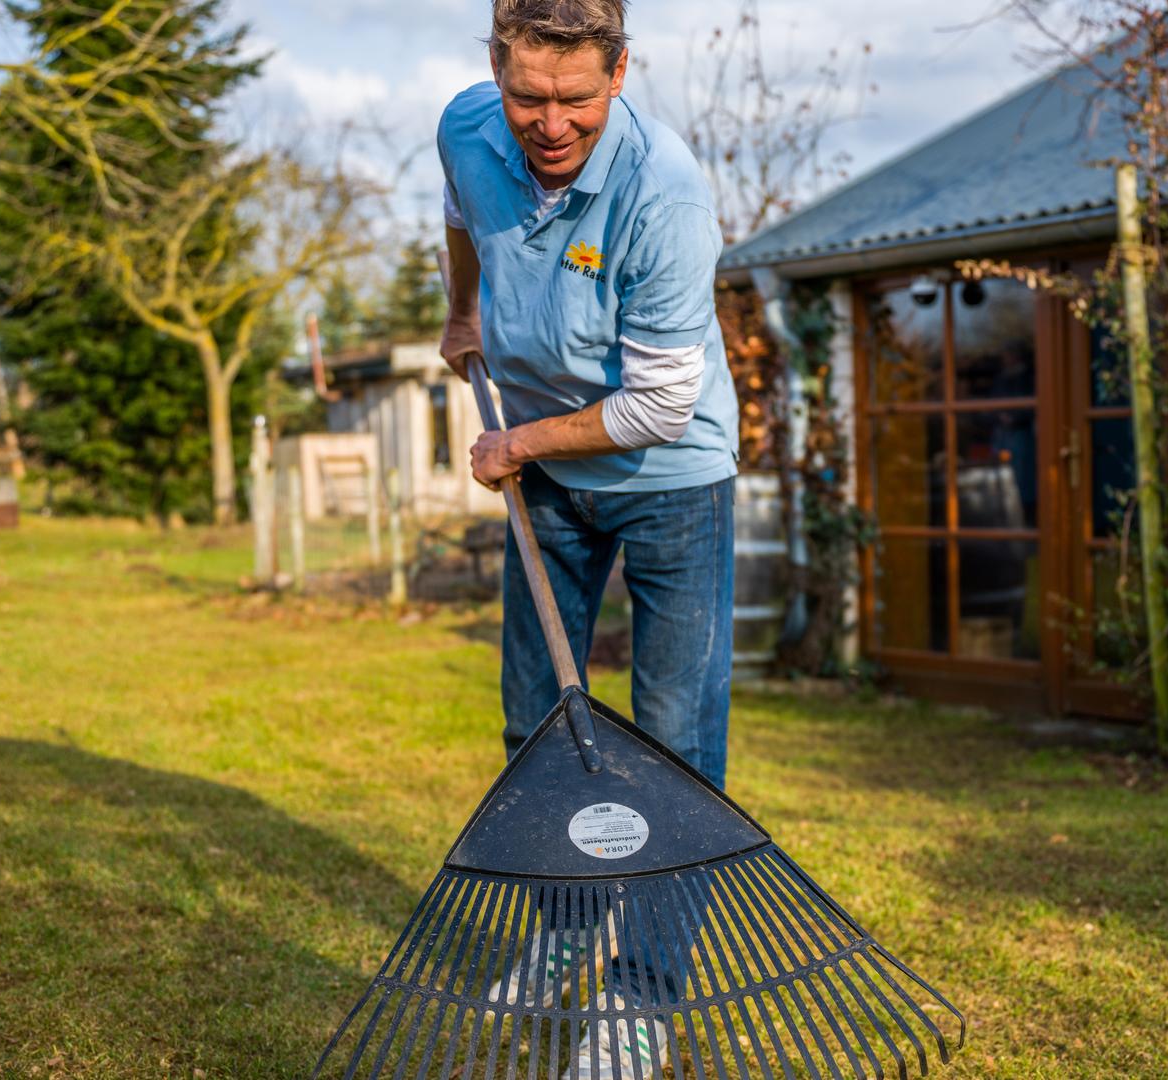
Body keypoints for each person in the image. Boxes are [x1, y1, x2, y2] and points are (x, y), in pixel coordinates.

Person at [435, 2, 736, 1077]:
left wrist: (515, 440)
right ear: (496, 75)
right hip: (549, 470)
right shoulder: (470, 127)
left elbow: (656, 407)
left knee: (672, 745)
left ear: (619, 74)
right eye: (527, 96)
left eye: (574, 98)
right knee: (539, 723)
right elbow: (462, 210)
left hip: (670, 480)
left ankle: (640, 993)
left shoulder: (667, 194)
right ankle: (567, 928)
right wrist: (463, 311)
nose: (548, 123)